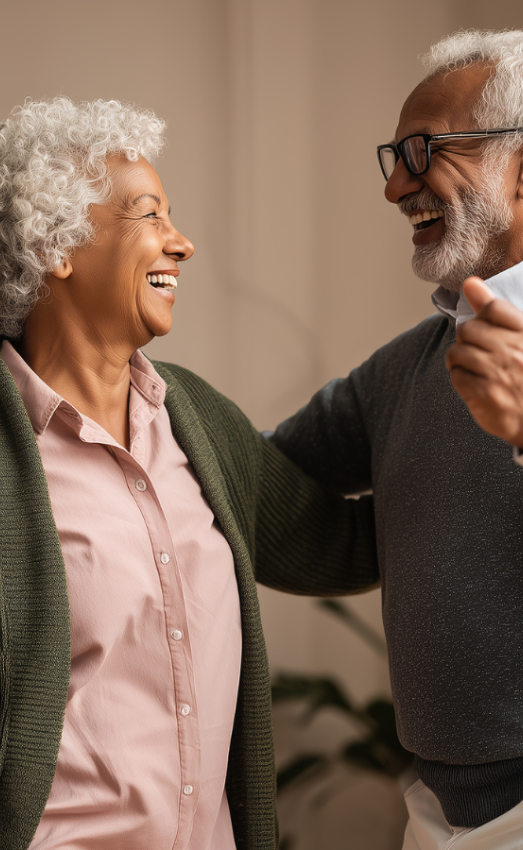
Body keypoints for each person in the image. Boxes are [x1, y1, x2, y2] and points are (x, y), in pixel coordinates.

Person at [0, 97, 380, 850]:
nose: (182, 244)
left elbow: (347, 544)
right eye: (149, 216)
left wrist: (490, 419)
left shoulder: (196, 418)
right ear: (57, 246)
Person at [269, 30, 523, 850]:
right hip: (434, 815)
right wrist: (114, 387)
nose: (394, 188)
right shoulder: (403, 371)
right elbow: (258, 476)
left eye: (422, 151)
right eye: (394, 155)